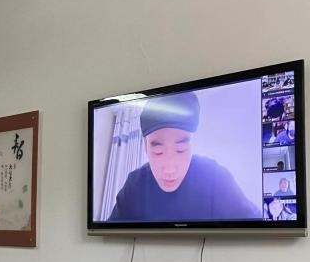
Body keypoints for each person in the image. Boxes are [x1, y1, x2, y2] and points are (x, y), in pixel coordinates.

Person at [107, 92, 260, 222]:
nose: (170, 169)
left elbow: (256, 224)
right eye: (158, 151)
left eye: (180, 149)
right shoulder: (135, 184)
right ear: (145, 147)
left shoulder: (215, 177)